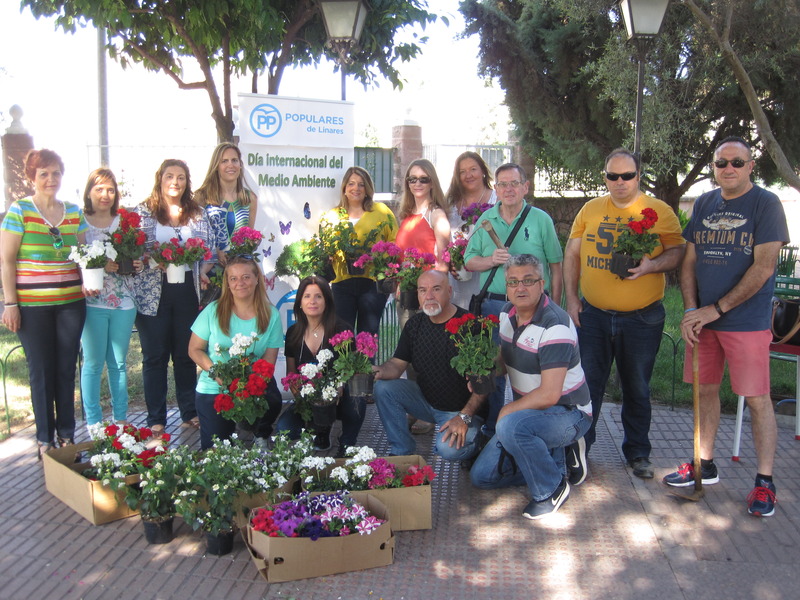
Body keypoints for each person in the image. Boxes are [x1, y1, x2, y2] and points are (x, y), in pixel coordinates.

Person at [664, 136, 789, 517]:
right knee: (704, 391)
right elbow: (689, 261)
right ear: (714, 168)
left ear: (751, 166)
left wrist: (715, 309)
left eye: (737, 162)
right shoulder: (704, 202)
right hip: (703, 320)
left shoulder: (766, 204)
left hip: (745, 322)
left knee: (756, 398)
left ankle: (764, 482)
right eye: (721, 163)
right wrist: (690, 310)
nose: (729, 168)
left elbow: (764, 267)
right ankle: (705, 464)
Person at [564, 148, 685, 480]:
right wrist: (571, 299)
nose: (620, 182)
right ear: (605, 177)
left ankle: (637, 452)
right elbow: (572, 254)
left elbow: (677, 252)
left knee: (637, 386)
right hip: (594, 315)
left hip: (642, 318)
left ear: (638, 176)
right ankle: (580, 448)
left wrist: (651, 266)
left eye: (627, 175)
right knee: (587, 384)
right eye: (613, 176)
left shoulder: (659, 211)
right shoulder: (590, 210)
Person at [470, 254, 592, 520]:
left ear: (541, 283)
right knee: (482, 478)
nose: (520, 288)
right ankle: (553, 454)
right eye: (513, 282)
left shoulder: (555, 325)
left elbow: (549, 395)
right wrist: (483, 372)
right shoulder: (506, 314)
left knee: (510, 426)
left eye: (528, 280)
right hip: (532, 415)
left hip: (568, 412)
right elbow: (504, 362)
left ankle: (553, 487)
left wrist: (508, 412)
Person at [0, 149, 87, 458]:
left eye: (56, 173)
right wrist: (10, 304)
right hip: (32, 308)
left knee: (65, 370)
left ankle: (67, 434)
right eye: (44, 174)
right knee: (41, 371)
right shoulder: (19, 210)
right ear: (32, 177)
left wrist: (92, 278)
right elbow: (7, 261)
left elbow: (87, 256)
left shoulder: (74, 212)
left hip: (71, 304)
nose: (51, 179)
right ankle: (44, 438)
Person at [464, 163, 563, 434]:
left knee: (532, 372)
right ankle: (493, 430)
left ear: (525, 187)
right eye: (503, 184)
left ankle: (530, 429)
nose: (508, 189)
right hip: (494, 306)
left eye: (514, 184)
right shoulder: (484, 221)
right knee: (491, 371)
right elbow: (469, 262)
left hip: (533, 310)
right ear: (495, 189)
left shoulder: (540, 219)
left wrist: (555, 306)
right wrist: (489, 260)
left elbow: (556, 264)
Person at [133, 159, 214, 435]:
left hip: (186, 294)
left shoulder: (197, 213)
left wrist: (203, 270)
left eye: (181, 177)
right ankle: (156, 418)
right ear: (160, 179)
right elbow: (134, 250)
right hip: (151, 295)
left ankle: (189, 412)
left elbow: (208, 250)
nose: (175, 182)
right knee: (155, 357)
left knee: (184, 355)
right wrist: (150, 258)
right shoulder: (144, 212)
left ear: (186, 182)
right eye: (170, 176)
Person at [373, 269, 487, 461]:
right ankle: (401, 450)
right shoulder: (415, 324)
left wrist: (464, 417)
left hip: (461, 411)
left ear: (449, 291)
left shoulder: (470, 326)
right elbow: (397, 364)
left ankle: (479, 440)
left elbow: (485, 383)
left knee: (448, 450)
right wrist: (380, 370)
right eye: (422, 290)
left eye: (436, 289)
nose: (429, 296)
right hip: (426, 402)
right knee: (383, 388)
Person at [188, 255, 283, 450]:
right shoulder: (212, 311)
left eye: (246, 277)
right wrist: (219, 375)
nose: (240, 283)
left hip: (251, 385)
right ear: (227, 283)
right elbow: (194, 350)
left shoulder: (270, 314)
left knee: (272, 398)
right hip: (215, 388)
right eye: (233, 278)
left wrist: (249, 386)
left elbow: (269, 360)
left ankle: (261, 433)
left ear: (257, 279)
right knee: (217, 451)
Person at [79, 168, 142, 426]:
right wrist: (98, 264)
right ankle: (94, 423)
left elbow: (138, 251)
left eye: (110, 190)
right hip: (92, 302)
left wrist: (137, 261)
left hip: (124, 302)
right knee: (93, 363)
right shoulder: (80, 221)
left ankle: (120, 420)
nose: (105, 195)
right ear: (89, 192)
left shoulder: (124, 222)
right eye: (99, 189)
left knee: (118, 363)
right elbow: (77, 260)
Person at [276, 276, 366, 455]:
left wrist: (339, 387)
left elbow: (356, 372)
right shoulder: (294, 334)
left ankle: (347, 444)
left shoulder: (342, 329)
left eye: (318, 296)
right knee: (284, 428)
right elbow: (291, 374)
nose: (313, 301)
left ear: (327, 301)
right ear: (300, 302)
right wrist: (303, 397)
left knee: (358, 396)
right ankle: (320, 433)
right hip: (310, 399)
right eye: (307, 296)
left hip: (340, 399)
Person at [321, 166, 397, 336]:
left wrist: (377, 257)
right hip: (342, 283)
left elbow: (394, 242)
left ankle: (368, 364)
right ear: (344, 188)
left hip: (372, 283)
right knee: (342, 335)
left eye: (361, 184)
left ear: (368, 188)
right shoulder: (332, 216)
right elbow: (326, 250)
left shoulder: (381, 212)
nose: (356, 188)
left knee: (368, 336)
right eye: (351, 184)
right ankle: (345, 364)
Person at [445, 151, 497, 309]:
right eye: (462, 171)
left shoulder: (497, 199)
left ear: (482, 171)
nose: (468, 175)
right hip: (458, 275)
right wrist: (449, 263)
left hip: (488, 271)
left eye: (473, 169)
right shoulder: (450, 203)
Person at [194, 142, 258, 264]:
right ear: (216, 165)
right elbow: (195, 237)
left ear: (240, 164)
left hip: (240, 270)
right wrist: (214, 251)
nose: (230, 165)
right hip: (209, 269)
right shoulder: (202, 197)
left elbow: (249, 238)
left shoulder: (250, 198)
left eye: (234, 160)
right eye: (224, 161)